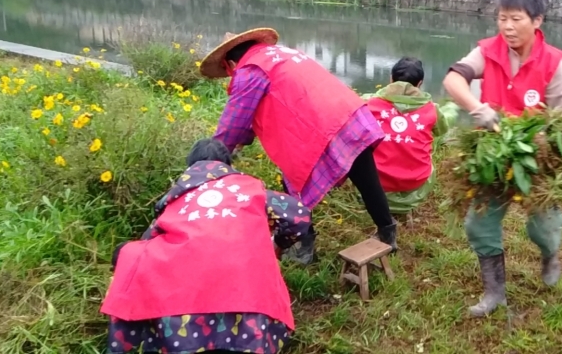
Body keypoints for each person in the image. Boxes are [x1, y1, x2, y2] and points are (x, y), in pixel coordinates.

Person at [199, 28, 397, 264]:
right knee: (366, 175)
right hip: (350, 114)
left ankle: (304, 247)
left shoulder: (249, 70)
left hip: (320, 127)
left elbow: (233, 123)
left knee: (295, 182)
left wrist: (211, 162)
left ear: (231, 62)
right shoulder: (283, 54)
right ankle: (387, 232)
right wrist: (244, 139)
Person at [101, 139, 310, 354]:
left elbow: (149, 242)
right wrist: (277, 246)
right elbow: (300, 216)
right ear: (227, 165)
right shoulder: (250, 187)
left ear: (190, 166)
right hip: (247, 297)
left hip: (183, 307)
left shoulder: (178, 197)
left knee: (130, 254)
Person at [441, 0, 562, 318]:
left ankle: (549, 254)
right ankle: (494, 291)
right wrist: (478, 108)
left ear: (537, 20)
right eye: (502, 18)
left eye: (516, 19)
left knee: (544, 226)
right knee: (478, 224)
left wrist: (544, 139)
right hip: (493, 155)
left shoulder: (554, 65)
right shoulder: (486, 52)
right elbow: (453, 80)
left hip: (534, 159)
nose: (508, 27)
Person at [361, 57, 458, 216]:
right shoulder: (432, 109)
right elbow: (442, 130)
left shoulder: (367, 103)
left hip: (375, 181)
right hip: (416, 181)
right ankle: (405, 205)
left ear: (390, 79)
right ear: (420, 84)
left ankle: (373, 203)